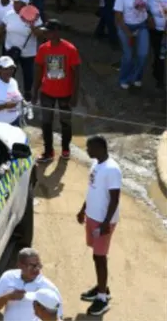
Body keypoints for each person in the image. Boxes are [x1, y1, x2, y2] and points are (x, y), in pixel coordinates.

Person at [77, 135, 121, 316]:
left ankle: (102, 299)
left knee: (100, 257)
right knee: (96, 256)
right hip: (92, 216)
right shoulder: (96, 164)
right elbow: (92, 189)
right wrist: (83, 210)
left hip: (103, 221)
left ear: (100, 148)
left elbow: (115, 199)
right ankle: (102, 288)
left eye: (90, 147)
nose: (87, 150)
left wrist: (106, 223)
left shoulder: (112, 169)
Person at [33, 20, 80, 163]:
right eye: (45, 31)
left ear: (56, 32)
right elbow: (38, 70)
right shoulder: (43, 48)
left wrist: (74, 95)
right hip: (47, 93)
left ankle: (65, 148)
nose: (45, 34)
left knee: (65, 122)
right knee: (46, 123)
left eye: (48, 31)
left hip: (65, 94)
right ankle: (48, 151)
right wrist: (34, 91)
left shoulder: (70, 49)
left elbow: (77, 74)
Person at [0, 248, 62, 319]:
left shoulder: (49, 288)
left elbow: (57, 317)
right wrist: (8, 297)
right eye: (33, 266)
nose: (37, 269)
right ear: (20, 265)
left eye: (39, 265)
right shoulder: (8, 276)